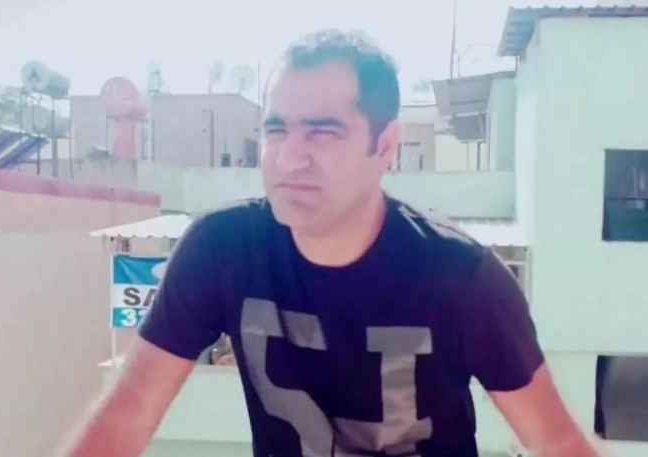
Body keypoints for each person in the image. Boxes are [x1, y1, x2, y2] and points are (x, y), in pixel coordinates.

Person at [58, 30, 602, 457]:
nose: (290, 157)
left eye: (323, 131)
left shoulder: (462, 278)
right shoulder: (220, 250)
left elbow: (555, 441)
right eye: (276, 130)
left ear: (385, 145)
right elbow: (130, 411)